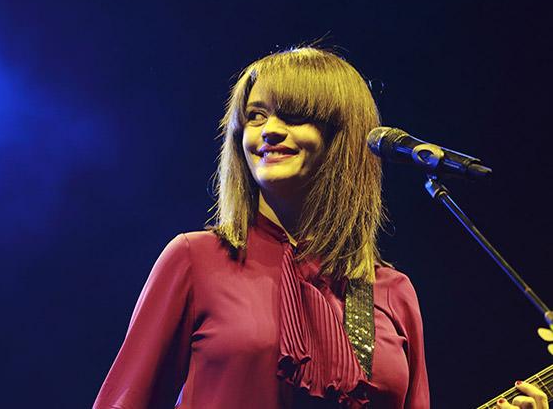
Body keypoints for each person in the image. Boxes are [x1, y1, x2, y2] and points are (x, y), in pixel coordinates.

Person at [93, 47, 546, 408]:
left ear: (343, 138)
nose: (269, 130)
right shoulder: (197, 259)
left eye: (293, 115)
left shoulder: (389, 290)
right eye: (255, 116)